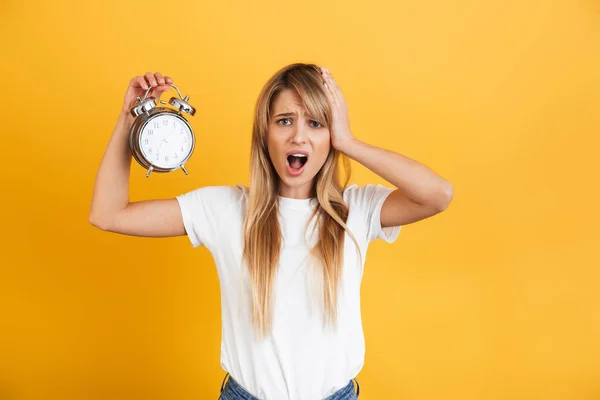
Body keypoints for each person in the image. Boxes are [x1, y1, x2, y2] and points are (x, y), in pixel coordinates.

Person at [89, 63, 453, 400]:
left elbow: (438, 195)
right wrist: (128, 119)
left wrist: (349, 142)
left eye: (315, 123)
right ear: (265, 135)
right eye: (284, 121)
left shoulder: (356, 210)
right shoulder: (225, 210)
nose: (298, 137)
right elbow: (109, 214)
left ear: (331, 136)